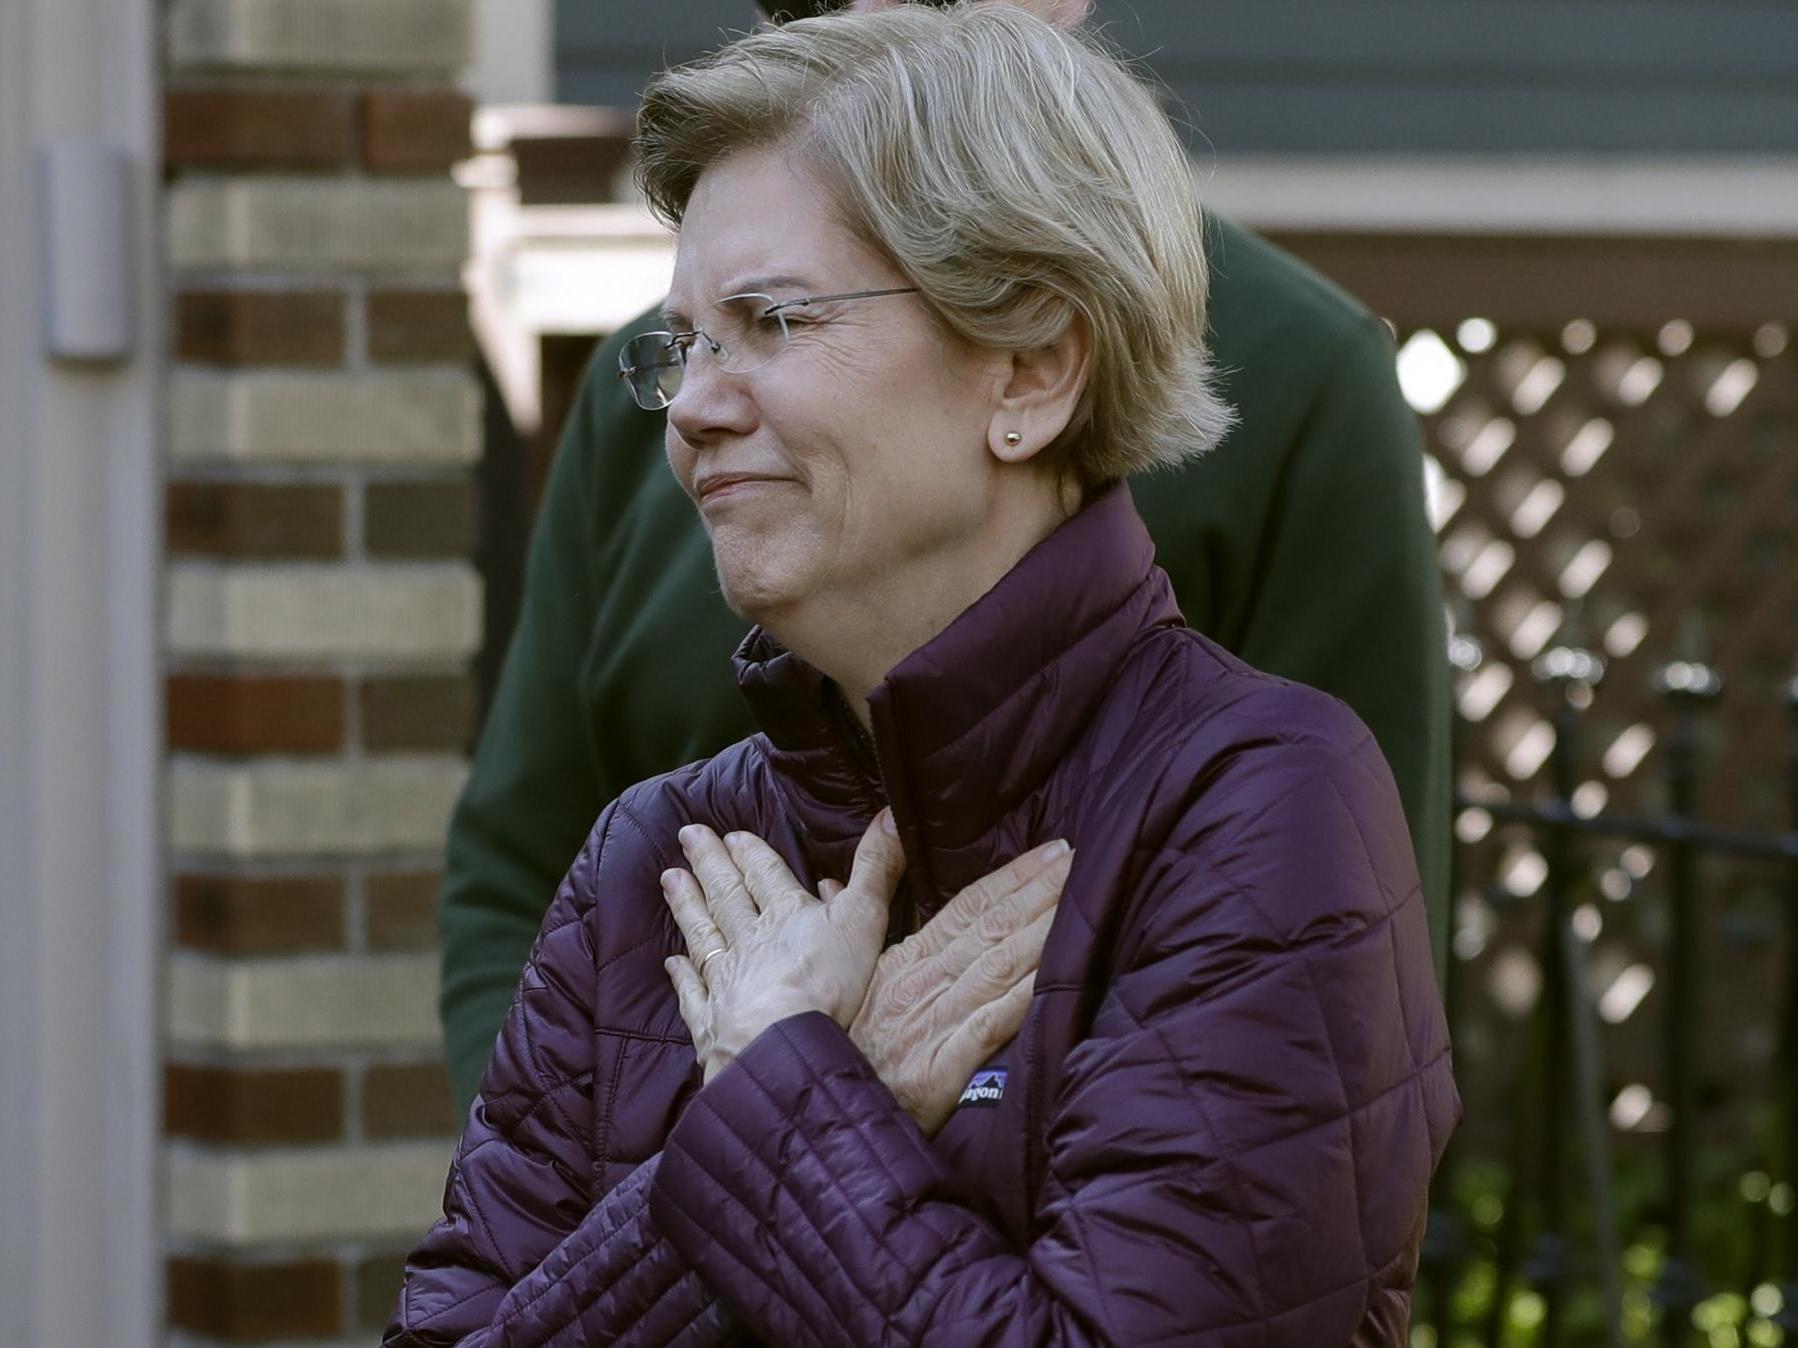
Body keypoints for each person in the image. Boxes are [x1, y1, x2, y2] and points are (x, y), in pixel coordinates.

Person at [387, 6, 1457, 1344]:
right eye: (689, 342)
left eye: (772, 321)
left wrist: (779, 1097)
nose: (695, 405)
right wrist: (825, 1099)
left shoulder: (1252, 812)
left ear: (1030, 371)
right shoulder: (652, 854)